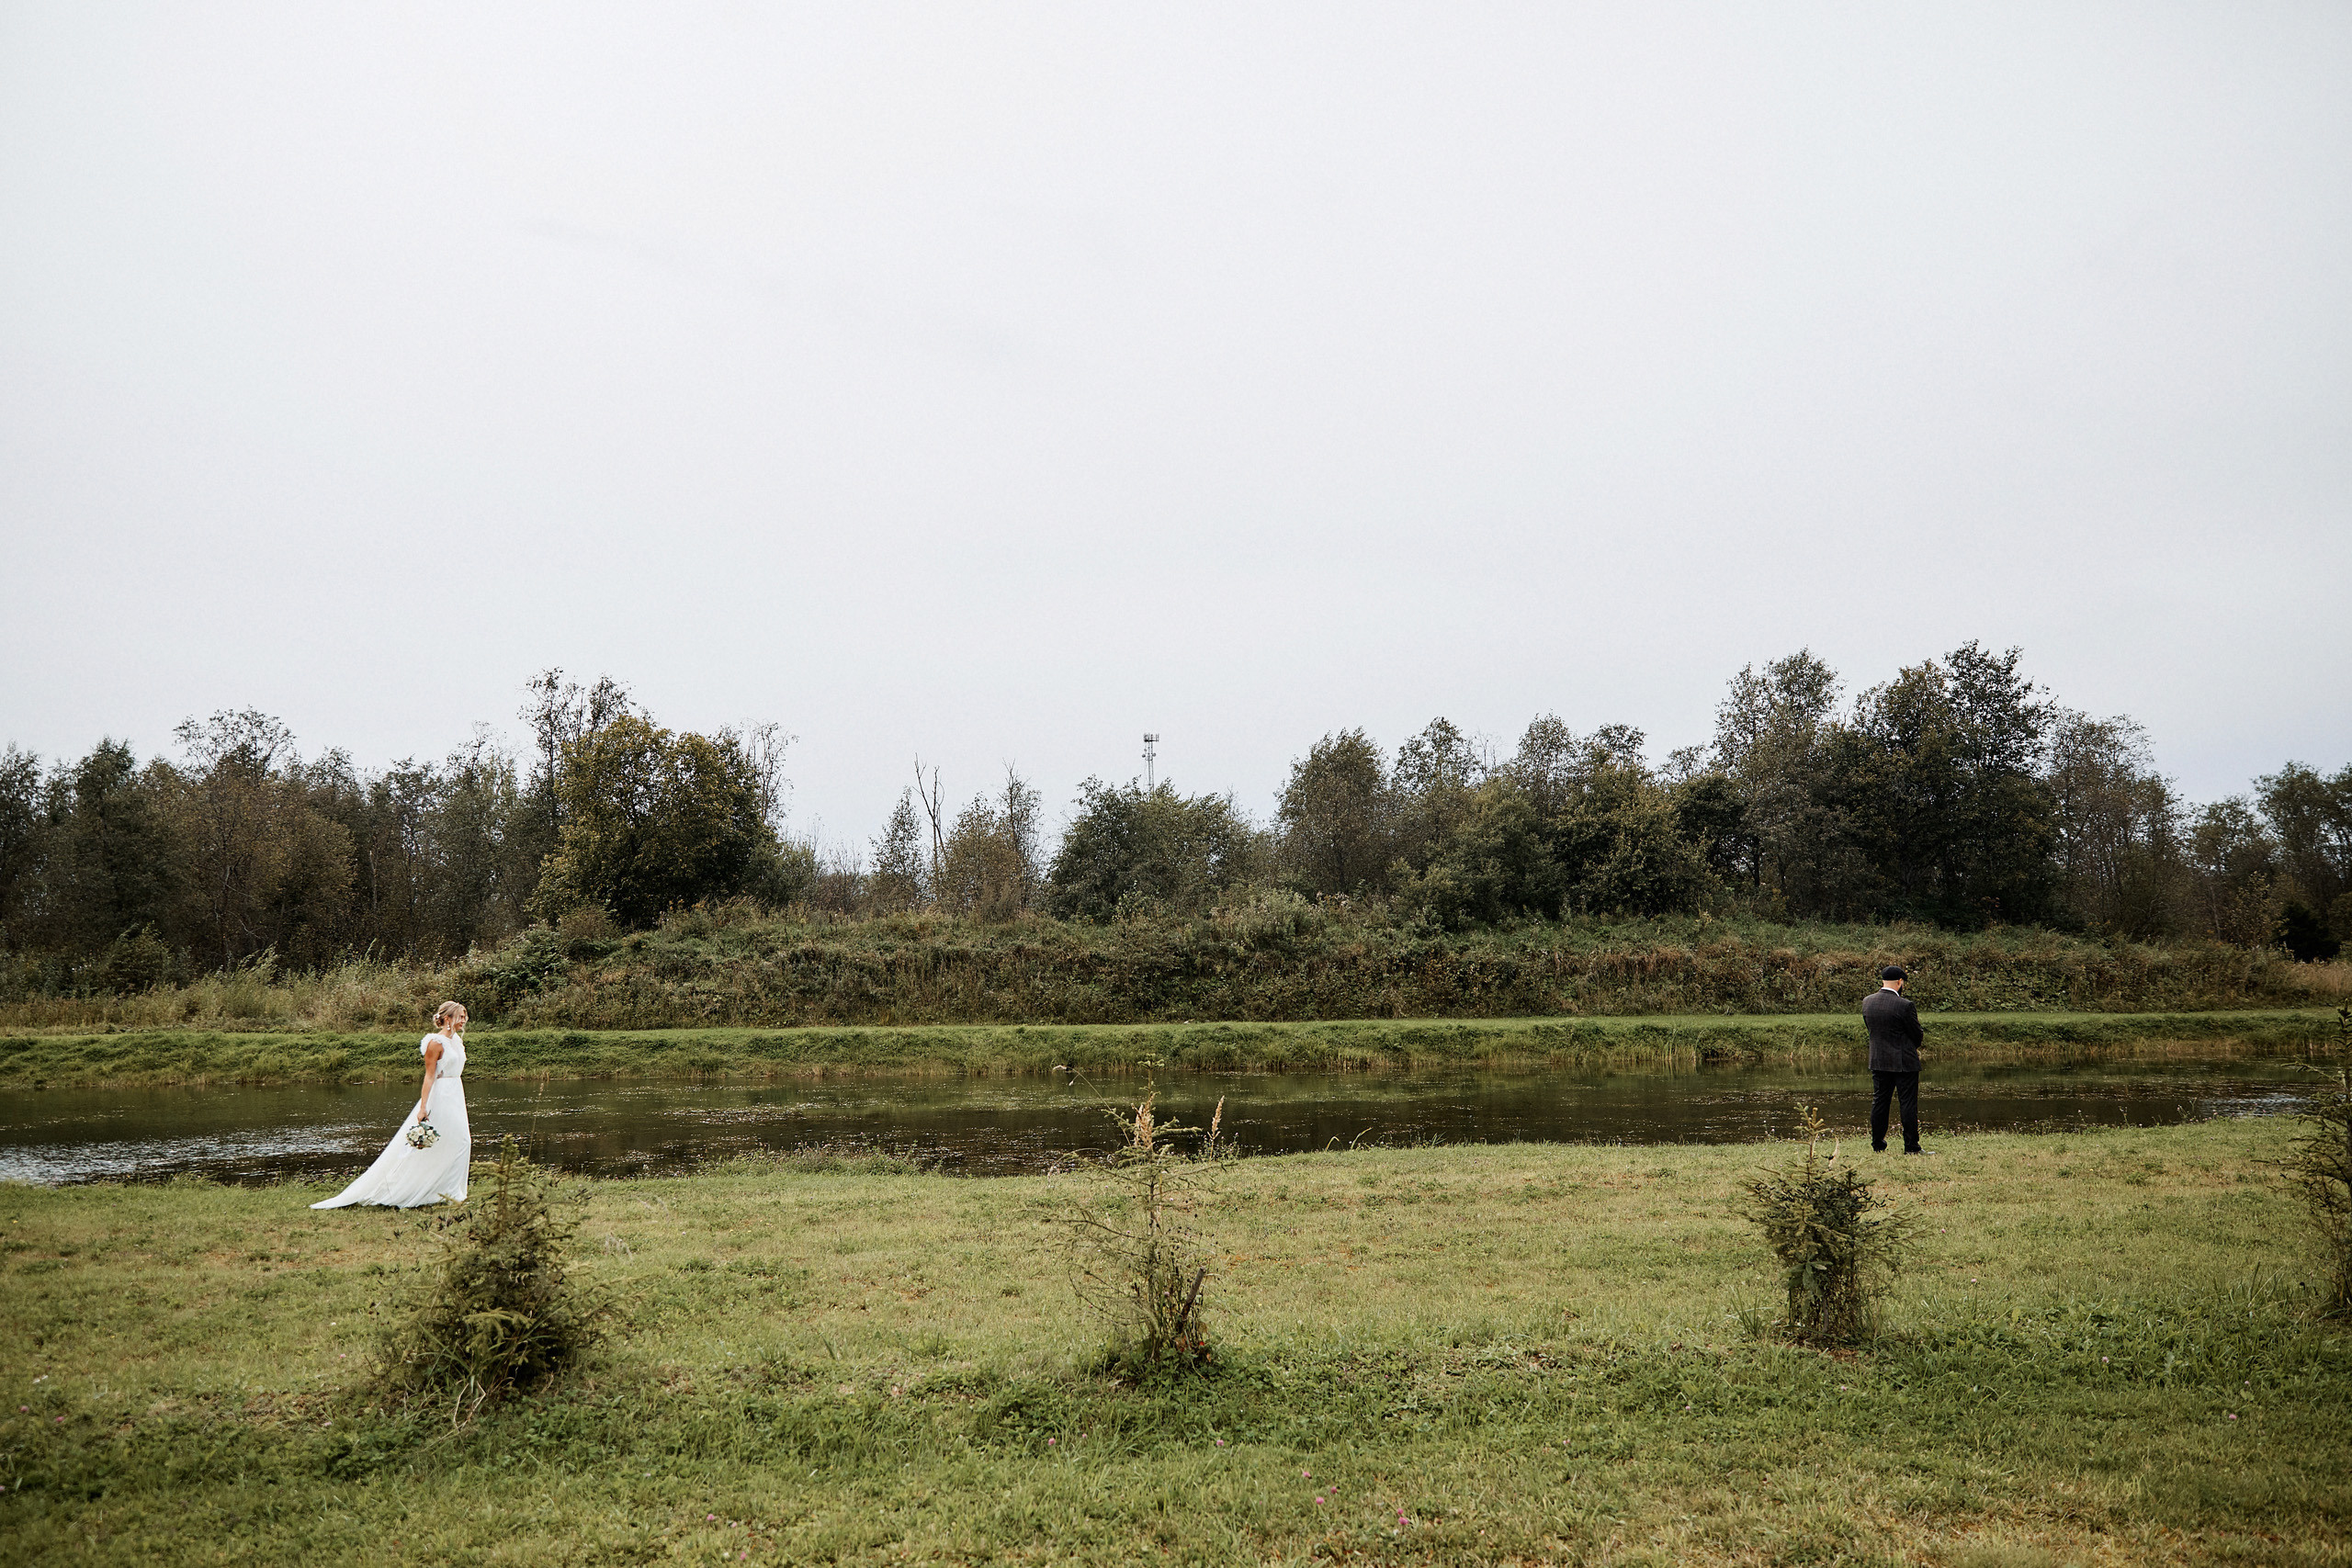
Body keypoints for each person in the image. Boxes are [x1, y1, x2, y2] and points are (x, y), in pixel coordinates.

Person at [312, 1001, 474, 1208]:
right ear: (448, 1018)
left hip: (456, 1093)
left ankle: (452, 1191)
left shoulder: (457, 1042)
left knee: (459, 1141)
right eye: (460, 1016)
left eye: (464, 1016)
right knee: (454, 1142)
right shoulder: (435, 1043)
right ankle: (428, 1190)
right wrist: (423, 1107)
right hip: (441, 1095)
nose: (464, 1020)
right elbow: (429, 1076)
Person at [1862, 965, 1924, 1154]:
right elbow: (1917, 1034)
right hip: (1903, 1061)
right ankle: (1911, 1147)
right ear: (1900, 982)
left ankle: (1878, 1145)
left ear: (1883, 981)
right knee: (1907, 1103)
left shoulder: (1867, 1002)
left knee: (1880, 1101)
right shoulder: (1905, 1005)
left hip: (1878, 1060)